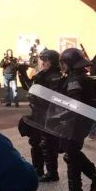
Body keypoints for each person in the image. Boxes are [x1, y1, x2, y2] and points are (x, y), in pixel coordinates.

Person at [56, 48, 96, 191]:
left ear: (71, 64)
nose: (62, 66)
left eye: (64, 63)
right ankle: (94, 177)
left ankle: (76, 190)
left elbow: (73, 104)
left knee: (71, 152)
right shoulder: (80, 77)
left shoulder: (74, 80)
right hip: (82, 121)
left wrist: (58, 116)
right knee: (72, 152)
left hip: (75, 122)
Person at [18, 49, 63, 183]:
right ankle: (38, 170)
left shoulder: (55, 77)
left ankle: (51, 172)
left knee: (47, 144)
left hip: (48, 115)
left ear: (51, 62)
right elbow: (29, 87)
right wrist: (22, 73)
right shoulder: (42, 75)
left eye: (45, 61)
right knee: (36, 142)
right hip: (38, 113)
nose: (42, 63)